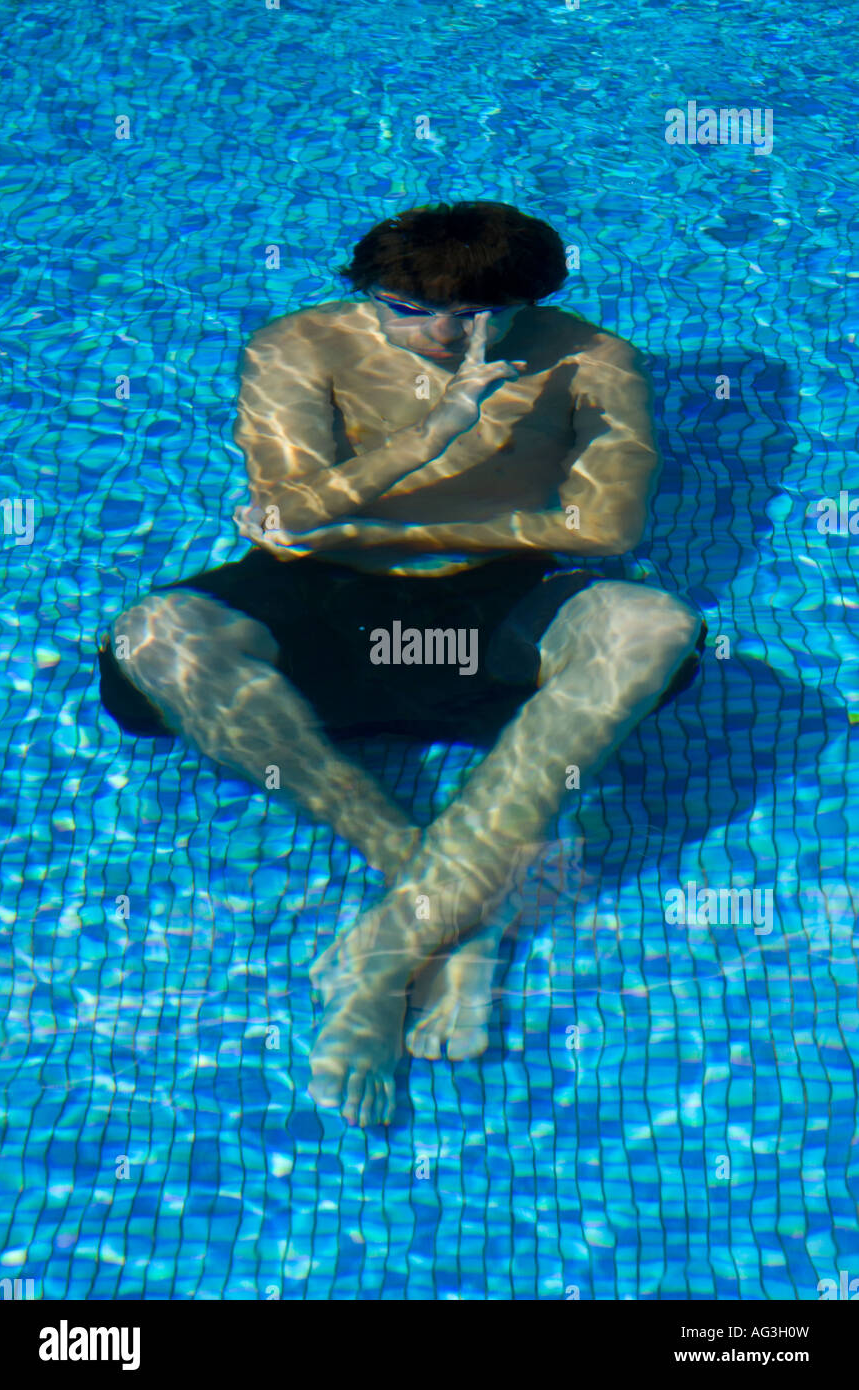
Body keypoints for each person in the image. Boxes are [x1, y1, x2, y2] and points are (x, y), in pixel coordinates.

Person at [97, 201, 706, 1127]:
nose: (445, 333)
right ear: (365, 291)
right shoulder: (295, 348)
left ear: (530, 300)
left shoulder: (591, 361)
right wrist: (441, 432)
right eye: (407, 308)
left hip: (493, 609)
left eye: (479, 313)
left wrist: (377, 522)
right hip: (326, 606)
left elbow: (606, 527)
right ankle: (460, 912)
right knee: (154, 638)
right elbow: (289, 511)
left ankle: (392, 950)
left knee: (652, 627)